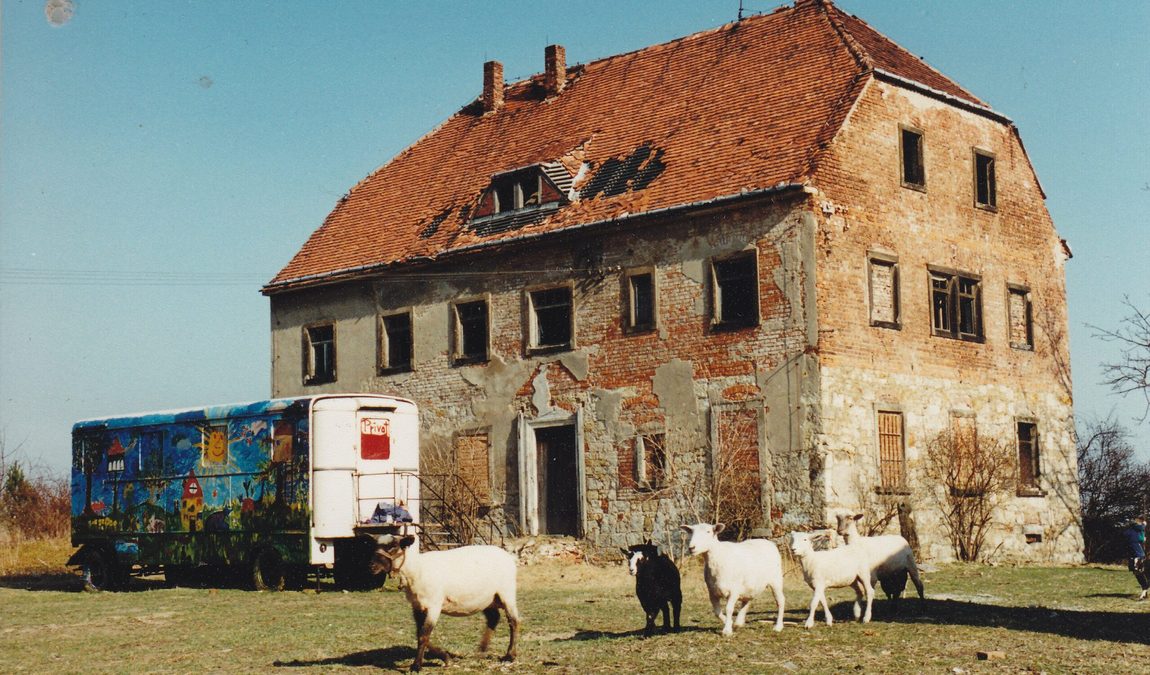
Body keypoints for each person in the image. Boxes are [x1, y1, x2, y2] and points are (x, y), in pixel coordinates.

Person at [1123, 516, 1149, 600]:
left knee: (1139, 573)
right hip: (1136, 555)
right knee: (1138, 573)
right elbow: (1140, 535)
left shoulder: (1131, 531)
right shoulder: (1137, 529)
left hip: (1136, 555)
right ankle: (1145, 590)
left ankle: (1144, 590)